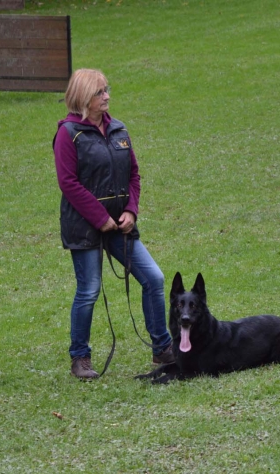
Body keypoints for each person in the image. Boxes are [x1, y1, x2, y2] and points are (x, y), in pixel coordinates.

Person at [53, 68, 174, 379]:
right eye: (99, 92)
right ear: (83, 98)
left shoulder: (119, 130)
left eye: (107, 90)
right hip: (84, 227)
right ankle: (80, 358)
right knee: (89, 290)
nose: (106, 96)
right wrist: (99, 218)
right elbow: (68, 183)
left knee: (154, 278)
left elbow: (134, 175)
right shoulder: (68, 134)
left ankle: (162, 348)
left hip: (121, 225)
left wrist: (131, 211)